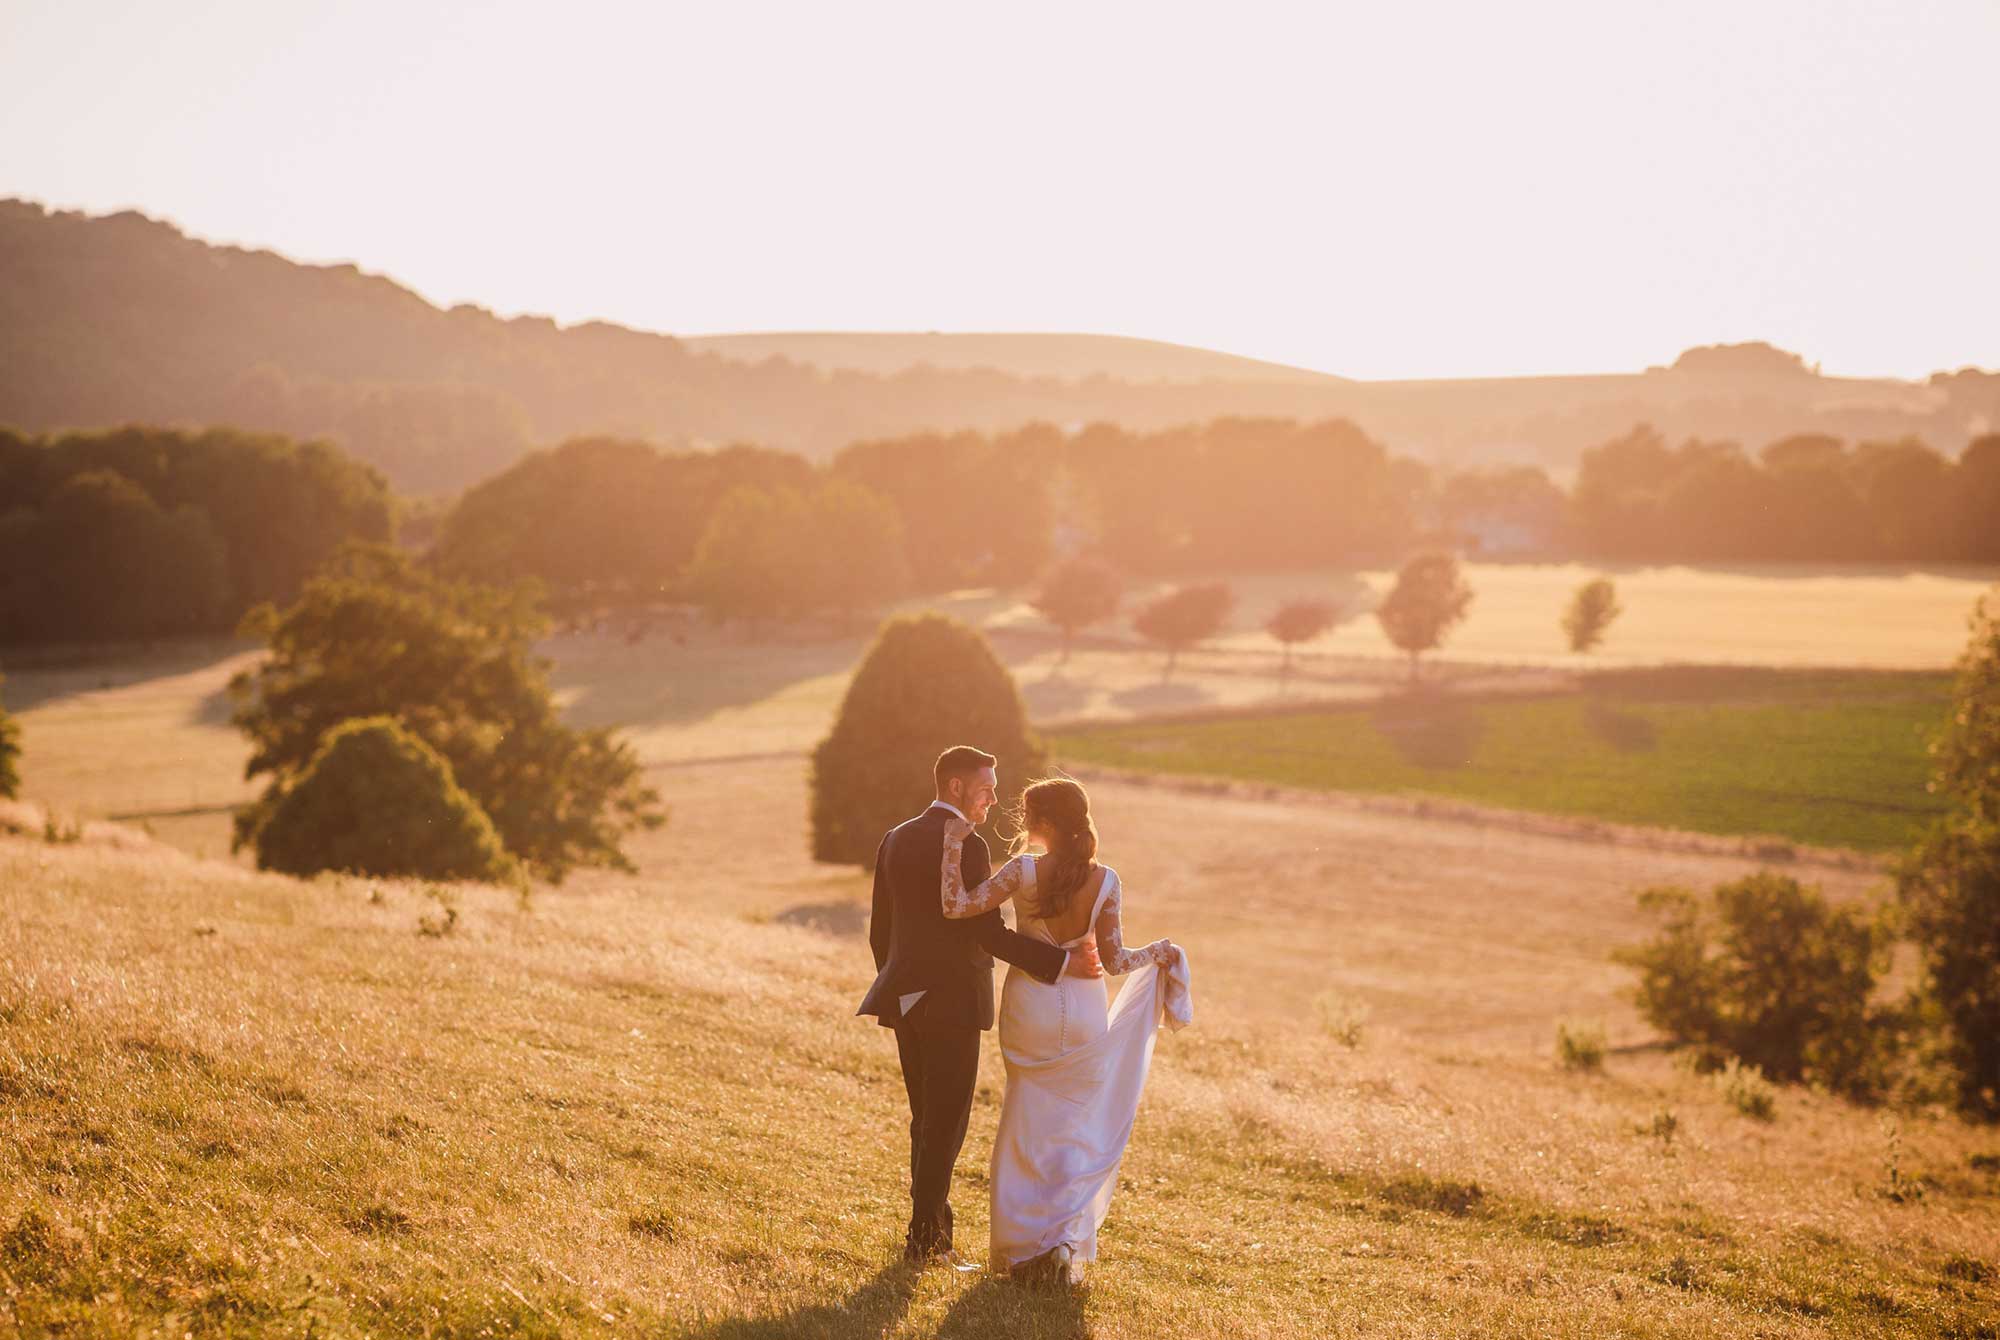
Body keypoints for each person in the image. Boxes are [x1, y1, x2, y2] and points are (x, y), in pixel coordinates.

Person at [856, 746, 1105, 1268]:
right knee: (945, 1123)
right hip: (952, 1003)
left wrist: (899, 981)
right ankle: (924, 1242)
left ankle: (932, 1234)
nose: (993, 798)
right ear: (955, 787)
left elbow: (881, 928)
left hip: (905, 998)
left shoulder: (895, 837)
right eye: (986, 788)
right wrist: (1058, 964)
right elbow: (986, 931)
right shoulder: (966, 845)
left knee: (924, 1118)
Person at [939, 775, 1189, 1285]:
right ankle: (1062, 1245)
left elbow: (956, 906)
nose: (1022, 823)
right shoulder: (1108, 882)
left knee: (1026, 1121)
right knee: (1072, 1127)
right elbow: (1117, 961)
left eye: (1029, 815)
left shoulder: (1022, 871)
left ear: (1047, 825)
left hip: (1030, 1004)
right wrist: (1161, 953)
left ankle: (1020, 1250)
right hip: (1083, 1009)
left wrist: (950, 850)